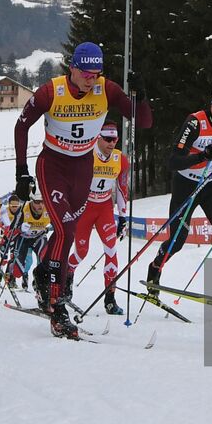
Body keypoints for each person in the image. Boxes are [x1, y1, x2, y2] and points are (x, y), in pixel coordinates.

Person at [13, 41, 152, 338]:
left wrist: (140, 96)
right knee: (65, 232)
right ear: (72, 68)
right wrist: (21, 171)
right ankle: (56, 303)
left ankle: (42, 275)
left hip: (82, 169)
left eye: (96, 73)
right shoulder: (51, 92)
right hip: (53, 167)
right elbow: (21, 126)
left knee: (69, 233)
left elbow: (144, 122)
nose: (91, 79)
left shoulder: (107, 89)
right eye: (86, 73)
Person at [145, 84, 212, 309]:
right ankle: (154, 270)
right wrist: (202, 156)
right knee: (177, 241)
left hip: (211, 187)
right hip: (185, 186)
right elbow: (173, 161)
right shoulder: (195, 123)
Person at [68, 123, 131, 315]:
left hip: (104, 207)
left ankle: (110, 299)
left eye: (115, 140)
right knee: (81, 252)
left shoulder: (120, 159)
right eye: (108, 139)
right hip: (85, 206)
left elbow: (121, 188)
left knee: (111, 250)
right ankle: (66, 281)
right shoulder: (87, 154)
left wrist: (122, 216)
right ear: (98, 138)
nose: (112, 143)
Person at [7, 195, 51, 293]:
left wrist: (49, 229)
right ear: (31, 201)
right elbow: (10, 233)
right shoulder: (22, 210)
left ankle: (39, 281)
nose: (40, 205)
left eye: (42, 201)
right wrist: (20, 228)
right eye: (37, 202)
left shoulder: (49, 208)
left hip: (38, 237)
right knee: (18, 272)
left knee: (46, 260)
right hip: (24, 238)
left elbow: (59, 223)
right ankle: (11, 272)